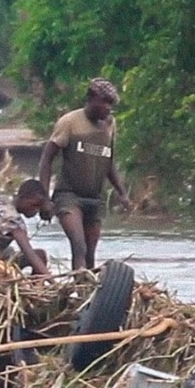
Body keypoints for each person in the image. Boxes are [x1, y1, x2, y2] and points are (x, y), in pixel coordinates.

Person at [38, 77, 130, 269]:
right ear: (91, 99)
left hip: (94, 199)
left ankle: (86, 294)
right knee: (79, 247)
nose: (108, 108)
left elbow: (108, 162)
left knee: (90, 254)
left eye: (110, 104)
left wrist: (122, 193)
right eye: (104, 102)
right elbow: (47, 159)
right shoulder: (69, 122)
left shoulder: (110, 125)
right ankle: (79, 289)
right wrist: (45, 198)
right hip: (69, 197)